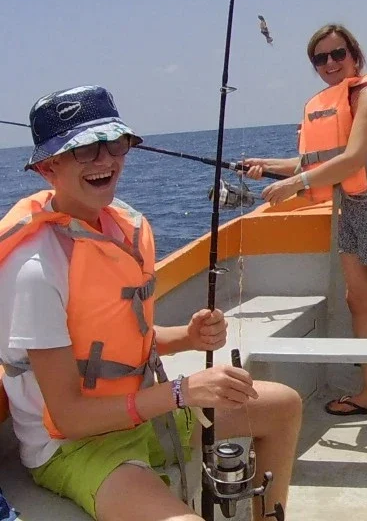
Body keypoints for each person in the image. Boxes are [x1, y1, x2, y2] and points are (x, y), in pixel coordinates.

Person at [0, 86, 303, 521]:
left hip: (138, 414)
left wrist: (188, 337)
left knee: (282, 406)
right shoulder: (36, 269)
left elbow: (110, 341)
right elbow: (68, 417)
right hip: (74, 446)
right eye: (84, 150)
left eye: (115, 143)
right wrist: (181, 392)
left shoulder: (117, 227)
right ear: (49, 168)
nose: (104, 160)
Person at [243, 24, 367, 428]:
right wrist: (264, 166)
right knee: (357, 301)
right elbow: (315, 163)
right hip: (354, 205)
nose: (330, 63)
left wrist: (295, 184)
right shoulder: (334, 103)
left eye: (338, 53)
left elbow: (353, 158)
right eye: (320, 58)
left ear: (354, 56)